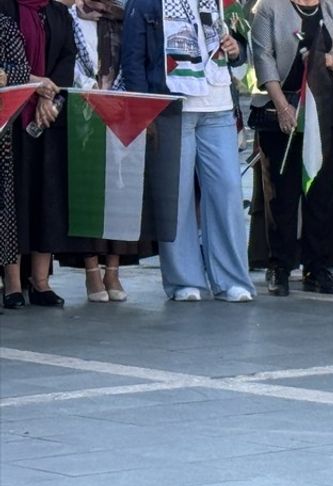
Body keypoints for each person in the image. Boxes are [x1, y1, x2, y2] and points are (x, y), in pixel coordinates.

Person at [120, 0, 255, 302]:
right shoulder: (144, 3)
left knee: (228, 191)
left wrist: (236, 50)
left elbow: (240, 47)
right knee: (177, 196)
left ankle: (231, 279)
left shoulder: (225, 2)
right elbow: (132, 59)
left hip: (219, 106)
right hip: (171, 107)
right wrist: (144, 111)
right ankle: (184, 280)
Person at [251, 0, 333, 297]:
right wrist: (283, 106)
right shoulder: (269, 8)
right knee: (281, 195)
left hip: (326, 113)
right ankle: (280, 267)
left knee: (321, 194)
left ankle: (317, 267)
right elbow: (262, 58)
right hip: (284, 109)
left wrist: (331, 62)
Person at [60, 0, 153, 303]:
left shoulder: (124, 17)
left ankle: (113, 270)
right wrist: (91, 91)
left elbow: (133, 57)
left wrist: (117, 96)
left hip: (122, 107)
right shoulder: (72, 16)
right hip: (82, 108)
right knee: (87, 190)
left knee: (120, 189)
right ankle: (90, 272)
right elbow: (67, 57)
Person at [4, 0, 75, 307]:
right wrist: (35, 88)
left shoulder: (57, 12)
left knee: (48, 198)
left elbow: (65, 59)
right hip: (10, 119)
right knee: (13, 199)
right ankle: (13, 284)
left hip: (49, 118)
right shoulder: (6, 10)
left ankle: (41, 282)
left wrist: (49, 100)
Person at [1, 10, 30, 308]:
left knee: (3, 209)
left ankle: (12, 284)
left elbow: (22, 69)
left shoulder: (4, 26)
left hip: (1, 132)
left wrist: (4, 74)